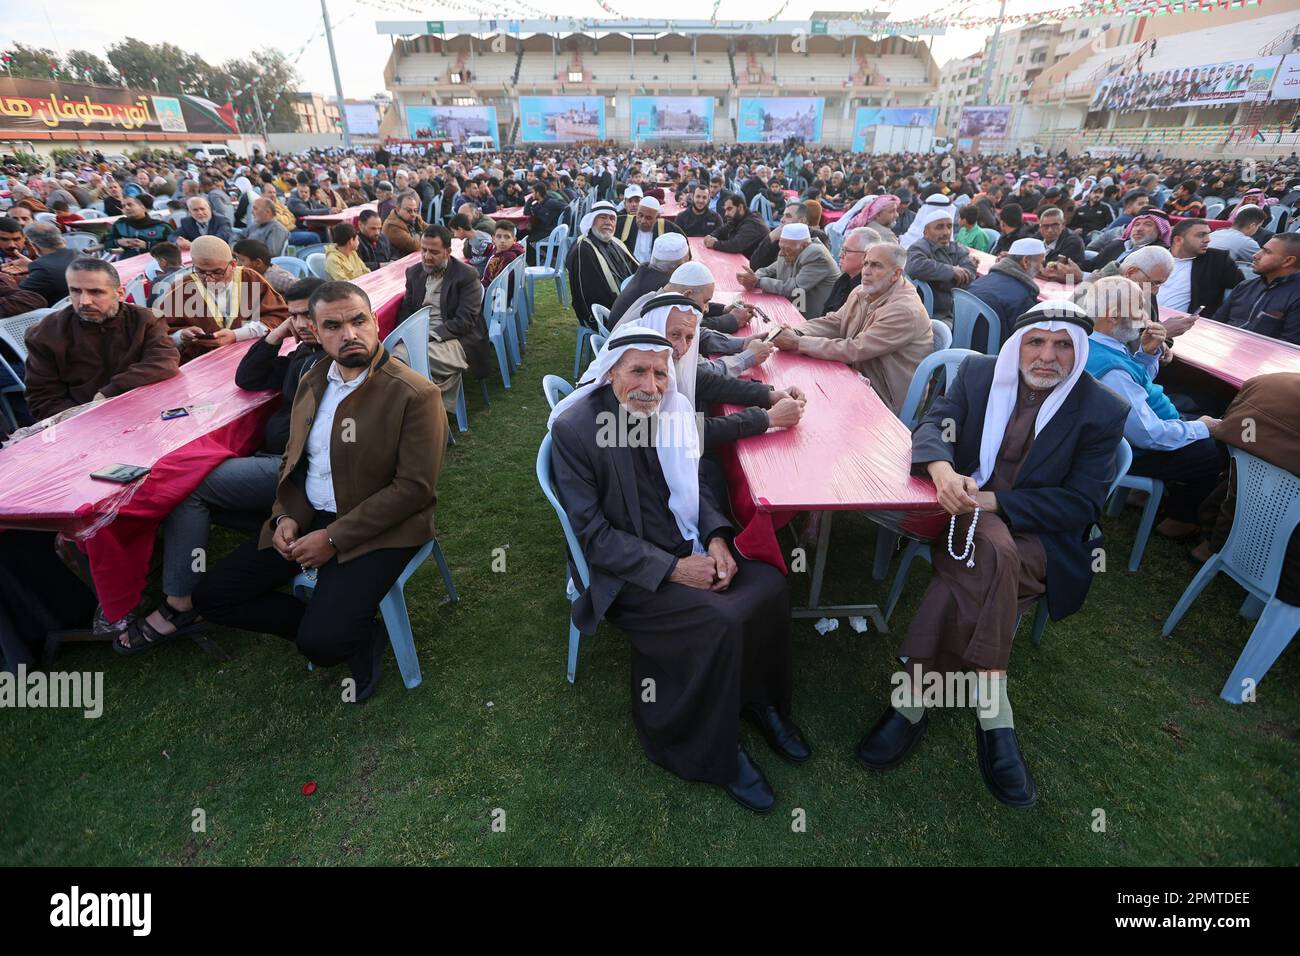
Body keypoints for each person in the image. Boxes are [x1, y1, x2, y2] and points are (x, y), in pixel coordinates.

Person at [855, 301, 1127, 809]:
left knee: (991, 554)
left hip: (1040, 535)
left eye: (1063, 344)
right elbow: (934, 425)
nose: (1047, 356)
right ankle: (993, 713)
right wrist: (941, 472)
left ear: (1079, 351)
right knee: (992, 551)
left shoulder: (1101, 409)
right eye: (1036, 342)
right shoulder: (979, 375)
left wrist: (996, 501)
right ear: (1016, 346)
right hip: (960, 512)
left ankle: (914, 701)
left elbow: (1081, 503)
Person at [548, 323, 805, 812]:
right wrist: (673, 568)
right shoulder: (575, 430)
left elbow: (700, 484)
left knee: (770, 583)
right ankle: (715, 747)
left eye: (661, 374)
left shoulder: (671, 412)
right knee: (723, 618)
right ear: (610, 373)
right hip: (630, 574)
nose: (651, 386)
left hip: (688, 541)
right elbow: (594, 538)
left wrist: (716, 538)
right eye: (638, 372)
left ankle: (758, 701)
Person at [192, 281, 447, 703]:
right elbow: (297, 464)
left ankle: (346, 631)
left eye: (358, 320)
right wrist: (285, 516)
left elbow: (414, 490)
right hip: (311, 517)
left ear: (374, 323)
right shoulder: (313, 379)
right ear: (313, 329)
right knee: (212, 596)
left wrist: (333, 539)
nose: (348, 334)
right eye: (333, 325)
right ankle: (341, 620)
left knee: (323, 646)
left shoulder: (414, 393)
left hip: (382, 528)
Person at [115, 278, 328, 654]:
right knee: (188, 486)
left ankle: (181, 602)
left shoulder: (333, 358)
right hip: (275, 460)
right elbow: (248, 378)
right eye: (293, 315)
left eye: (307, 315)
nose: (300, 323)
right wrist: (280, 330)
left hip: (294, 470)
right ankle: (188, 589)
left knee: (189, 485)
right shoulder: (305, 349)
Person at [1080, 275, 1223, 539]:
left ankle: (1151, 500)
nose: (1146, 317)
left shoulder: (1090, 342)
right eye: (1139, 308)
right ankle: (1182, 519)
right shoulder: (1113, 370)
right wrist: (1202, 428)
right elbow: (1148, 435)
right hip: (1128, 449)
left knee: (1198, 420)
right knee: (1216, 450)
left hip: (1130, 433)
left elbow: (1135, 388)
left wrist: (1146, 354)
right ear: (1113, 317)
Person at [771, 241, 932, 415]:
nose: (867, 271)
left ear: (896, 274)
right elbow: (835, 322)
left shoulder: (904, 310)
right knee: (791, 388)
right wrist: (796, 332)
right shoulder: (861, 292)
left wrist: (797, 343)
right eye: (866, 263)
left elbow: (854, 349)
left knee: (808, 407)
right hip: (855, 377)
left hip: (885, 400)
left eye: (876, 265)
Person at [23, 257, 179, 421]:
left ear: (119, 294)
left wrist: (108, 392)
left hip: (145, 410)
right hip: (80, 424)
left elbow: (164, 361)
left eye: (95, 292)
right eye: (76, 291)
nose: (84, 301)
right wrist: (86, 417)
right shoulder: (45, 334)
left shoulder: (145, 319)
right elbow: (42, 399)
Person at [1190, 373, 1300, 598]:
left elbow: (1225, 439)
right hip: (1284, 563)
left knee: (1245, 471)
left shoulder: (1266, 382)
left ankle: (1206, 543)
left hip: (1226, 520)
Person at [395, 224, 491, 411]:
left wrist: (430, 335)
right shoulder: (414, 273)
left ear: (448, 251)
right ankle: (430, 413)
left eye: (434, 252)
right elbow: (405, 311)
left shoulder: (466, 275)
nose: (426, 256)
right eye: (423, 250)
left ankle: (420, 413)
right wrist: (408, 334)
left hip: (457, 338)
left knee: (400, 361)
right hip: (421, 336)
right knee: (403, 360)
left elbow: (466, 320)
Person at [156, 235, 288, 363]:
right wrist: (180, 336)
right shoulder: (182, 287)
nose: (209, 279)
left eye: (217, 272)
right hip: (200, 364)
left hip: (249, 355)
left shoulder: (249, 278)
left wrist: (236, 335)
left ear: (233, 264)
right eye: (200, 271)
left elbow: (279, 318)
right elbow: (158, 334)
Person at [737, 223, 840, 319]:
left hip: (812, 319)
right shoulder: (789, 250)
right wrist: (752, 278)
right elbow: (767, 271)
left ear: (804, 246)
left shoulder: (816, 254)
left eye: (786, 249)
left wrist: (757, 282)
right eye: (780, 247)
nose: (781, 253)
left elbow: (795, 288)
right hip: (793, 310)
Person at [1211, 234, 1300, 344]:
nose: (1255, 255)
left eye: (1267, 252)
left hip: (1261, 358)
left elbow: (1289, 345)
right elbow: (1216, 324)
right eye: (1261, 250)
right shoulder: (1245, 286)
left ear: (1288, 261)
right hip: (1222, 348)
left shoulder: (1296, 296)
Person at [565, 199, 639, 331]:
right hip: (603, 314)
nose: (608, 222)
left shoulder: (615, 242)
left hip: (623, 302)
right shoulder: (584, 250)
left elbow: (635, 270)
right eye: (602, 217)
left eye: (612, 218)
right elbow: (595, 295)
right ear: (592, 220)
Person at [966, 237, 1046, 348]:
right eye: (1040, 263)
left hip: (962, 348)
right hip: (995, 359)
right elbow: (1028, 340)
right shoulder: (1022, 297)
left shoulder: (979, 282)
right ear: (1025, 261)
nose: (1041, 269)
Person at [904, 204, 978, 324]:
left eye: (949, 227)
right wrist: (951, 272)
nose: (946, 232)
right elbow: (915, 266)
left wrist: (937, 281)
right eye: (939, 227)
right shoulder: (918, 247)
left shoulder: (959, 249)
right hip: (928, 315)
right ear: (926, 232)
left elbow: (969, 274)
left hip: (956, 312)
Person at [1155, 218, 1242, 317]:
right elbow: (1140, 286)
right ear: (1178, 240)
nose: (1207, 240)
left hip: (1186, 326)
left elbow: (1244, 289)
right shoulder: (1156, 256)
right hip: (1145, 320)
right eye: (1201, 235)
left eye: (1208, 234)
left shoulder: (1217, 260)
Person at [1089, 209, 1171, 271]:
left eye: (1148, 224)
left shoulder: (1157, 255)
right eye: (1136, 224)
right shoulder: (1118, 244)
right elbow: (1091, 265)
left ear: (1160, 230)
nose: (1139, 229)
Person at [16, 223, 76, 305]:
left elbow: (19, 297)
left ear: (34, 246)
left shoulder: (43, 268)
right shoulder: (84, 256)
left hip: (52, 314)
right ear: (62, 239)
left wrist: (7, 279)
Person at [614, 196, 684, 265]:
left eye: (648, 218)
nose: (642, 221)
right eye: (640, 215)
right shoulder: (623, 223)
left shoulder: (669, 229)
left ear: (657, 218)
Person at [821, 227, 874, 315]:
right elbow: (826, 315)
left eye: (847, 251)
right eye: (842, 249)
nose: (840, 255)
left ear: (865, 256)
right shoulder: (843, 279)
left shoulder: (868, 290)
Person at [704, 193, 768, 259]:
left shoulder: (753, 223)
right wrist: (711, 236)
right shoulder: (738, 218)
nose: (726, 214)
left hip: (757, 266)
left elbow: (736, 245)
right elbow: (722, 230)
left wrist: (714, 244)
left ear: (740, 207)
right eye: (725, 210)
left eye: (729, 209)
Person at [104, 194, 170, 258]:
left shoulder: (161, 227)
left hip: (155, 260)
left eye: (130, 205)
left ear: (143, 208)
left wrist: (147, 245)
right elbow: (107, 244)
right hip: (128, 262)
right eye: (123, 206)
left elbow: (173, 245)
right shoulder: (119, 225)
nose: (126, 208)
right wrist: (119, 242)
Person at [233, 238, 297, 296]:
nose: (238, 264)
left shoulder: (275, 277)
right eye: (237, 259)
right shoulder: (250, 275)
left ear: (258, 263)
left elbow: (302, 288)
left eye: (242, 260)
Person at [170, 197, 235, 250]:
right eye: (195, 210)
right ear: (190, 212)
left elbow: (217, 240)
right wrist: (178, 240)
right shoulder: (187, 222)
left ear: (209, 208)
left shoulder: (222, 221)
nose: (200, 213)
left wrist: (193, 245)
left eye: (202, 209)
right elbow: (172, 236)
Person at [383, 190, 427, 257]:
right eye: (409, 210)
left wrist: (418, 236)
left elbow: (431, 229)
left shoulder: (415, 218)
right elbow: (416, 246)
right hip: (398, 262)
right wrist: (421, 234)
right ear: (398, 209)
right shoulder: (392, 226)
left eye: (415, 210)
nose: (413, 214)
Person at [482, 221, 524, 290]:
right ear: (493, 239)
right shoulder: (497, 249)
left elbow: (496, 282)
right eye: (499, 236)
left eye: (507, 237)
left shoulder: (509, 256)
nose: (502, 241)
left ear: (514, 240)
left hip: (495, 295)